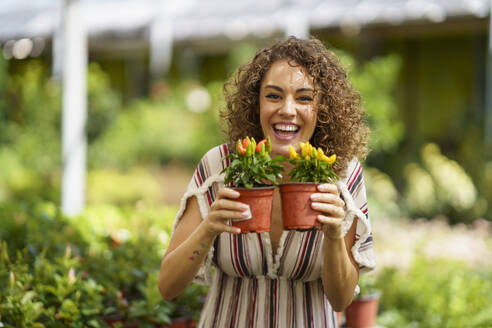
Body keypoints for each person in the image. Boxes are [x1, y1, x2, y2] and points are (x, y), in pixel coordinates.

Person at [158, 36, 375, 327]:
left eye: (304, 98)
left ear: (322, 108)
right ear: (255, 103)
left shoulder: (342, 175)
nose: (287, 109)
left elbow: (341, 299)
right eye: (273, 95)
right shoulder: (219, 167)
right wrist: (207, 229)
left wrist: (334, 235)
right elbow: (168, 287)